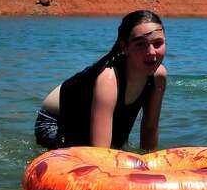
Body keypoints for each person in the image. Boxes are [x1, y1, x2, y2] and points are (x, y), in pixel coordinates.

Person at [36, 10, 168, 151]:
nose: (152, 52)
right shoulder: (108, 80)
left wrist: (150, 165)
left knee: (117, 146)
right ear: (125, 47)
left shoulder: (158, 76)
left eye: (158, 43)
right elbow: (100, 153)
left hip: (93, 112)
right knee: (91, 155)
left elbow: (150, 127)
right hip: (57, 120)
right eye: (140, 44)